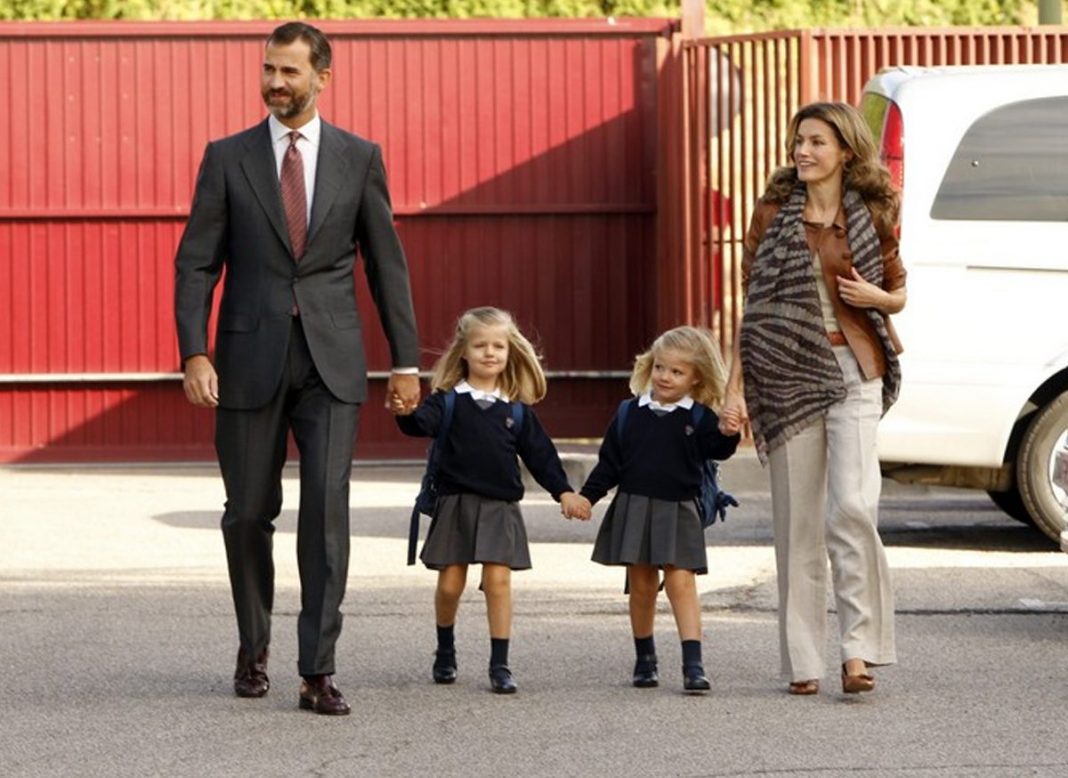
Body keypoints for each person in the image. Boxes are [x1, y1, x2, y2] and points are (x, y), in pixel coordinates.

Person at [173, 22, 421, 716]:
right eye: (268, 70)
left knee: (326, 514)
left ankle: (318, 669)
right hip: (248, 360)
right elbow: (197, 262)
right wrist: (195, 351)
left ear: (321, 77)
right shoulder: (227, 158)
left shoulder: (358, 157)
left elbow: (387, 265)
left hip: (333, 365)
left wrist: (406, 362)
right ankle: (254, 648)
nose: (275, 82)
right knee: (247, 513)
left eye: (288, 71)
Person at [720, 101, 906, 696]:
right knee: (798, 524)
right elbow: (753, 310)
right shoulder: (773, 213)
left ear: (845, 151)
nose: (802, 151)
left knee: (851, 507)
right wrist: (735, 391)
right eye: (799, 140)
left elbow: (899, 296)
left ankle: (859, 651)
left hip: (855, 368)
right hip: (785, 375)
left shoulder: (872, 214)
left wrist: (873, 295)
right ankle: (805, 660)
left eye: (816, 142)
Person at [394, 307, 588, 694]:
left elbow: (541, 456)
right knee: (450, 585)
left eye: (498, 345)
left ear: (510, 352)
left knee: (498, 581)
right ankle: (445, 649)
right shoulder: (448, 401)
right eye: (480, 345)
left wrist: (564, 492)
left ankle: (500, 664)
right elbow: (420, 426)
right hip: (456, 504)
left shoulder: (516, 411)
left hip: (500, 507)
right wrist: (406, 411)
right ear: (463, 352)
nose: (490, 352)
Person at [573, 326, 740, 693]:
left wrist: (729, 432)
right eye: (661, 367)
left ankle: (693, 664)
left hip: (679, 510)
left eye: (677, 371)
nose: (665, 377)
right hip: (635, 505)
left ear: (696, 377)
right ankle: (644, 658)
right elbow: (609, 463)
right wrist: (587, 496)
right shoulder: (629, 413)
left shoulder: (698, 418)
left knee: (682, 583)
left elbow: (718, 449)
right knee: (642, 585)